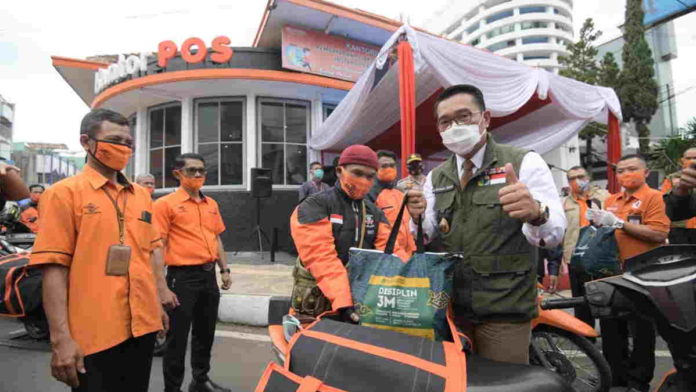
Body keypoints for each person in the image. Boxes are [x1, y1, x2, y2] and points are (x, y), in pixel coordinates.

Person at [406, 84, 565, 365]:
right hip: (451, 309)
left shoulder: (523, 162)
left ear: (485, 118)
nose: (455, 126)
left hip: (504, 308)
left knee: (503, 383)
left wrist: (535, 213)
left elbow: (554, 234)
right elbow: (427, 233)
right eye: (446, 121)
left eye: (464, 116)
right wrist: (416, 218)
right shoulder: (436, 177)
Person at [28, 109, 171, 392]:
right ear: (86, 142)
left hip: (142, 327)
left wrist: (158, 300)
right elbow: (54, 267)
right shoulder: (63, 194)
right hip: (93, 334)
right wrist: (60, 339)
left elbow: (150, 252)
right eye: (114, 140)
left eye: (128, 143)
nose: (123, 148)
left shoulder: (141, 195)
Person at [290, 145, 408, 322]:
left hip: (362, 303)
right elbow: (320, 257)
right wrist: (343, 302)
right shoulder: (314, 205)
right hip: (318, 304)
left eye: (370, 176)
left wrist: (414, 285)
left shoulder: (375, 213)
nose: (364, 180)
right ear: (339, 171)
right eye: (357, 173)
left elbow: (393, 254)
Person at [587, 154, 669, 392]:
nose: (625, 174)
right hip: (612, 273)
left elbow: (658, 233)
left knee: (641, 332)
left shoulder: (654, 197)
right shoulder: (613, 199)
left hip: (643, 274)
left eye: (632, 169)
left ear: (646, 172)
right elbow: (607, 233)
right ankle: (616, 378)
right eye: (620, 170)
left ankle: (638, 382)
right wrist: (596, 222)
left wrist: (620, 223)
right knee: (612, 330)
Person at [153, 153, 232, 392]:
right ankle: (172, 388)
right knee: (176, 339)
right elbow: (158, 247)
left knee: (205, 333)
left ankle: (200, 381)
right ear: (177, 174)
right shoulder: (164, 205)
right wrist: (162, 288)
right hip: (181, 278)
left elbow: (216, 238)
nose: (198, 175)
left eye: (202, 171)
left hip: (208, 277)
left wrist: (224, 269)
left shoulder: (211, 204)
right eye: (192, 170)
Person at [559, 166, 609, 325]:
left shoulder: (605, 197)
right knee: (581, 302)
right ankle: (586, 338)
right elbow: (562, 232)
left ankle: (611, 339)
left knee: (605, 299)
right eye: (572, 178)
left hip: (602, 257)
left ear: (588, 178)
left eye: (580, 176)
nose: (577, 181)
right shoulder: (564, 203)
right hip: (576, 258)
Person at [367, 150, 416, 256]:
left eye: (392, 165)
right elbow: (379, 235)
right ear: (374, 169)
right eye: (384, 166)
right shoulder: (370, 194)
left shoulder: (400, 193)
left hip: (409, 254)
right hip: (390, 256)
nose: (389, 169)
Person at [660, 147, 696, 244]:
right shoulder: (672, 179)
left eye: (695, 158)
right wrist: (680, 190)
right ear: (682, 160)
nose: (692, 161)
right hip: (680, 230)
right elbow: (665, 205)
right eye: (688, 158)